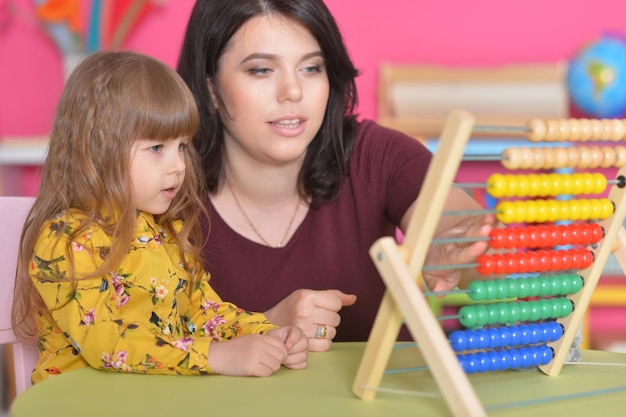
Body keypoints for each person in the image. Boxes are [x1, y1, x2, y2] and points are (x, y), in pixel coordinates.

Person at [176, 0, 497, 352]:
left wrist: (453, 248)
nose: (293, 92)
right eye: (262, 70)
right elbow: (133, 342)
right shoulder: (162, 189)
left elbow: (459, 225)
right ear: (210, 89)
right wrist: (262, 328)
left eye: (311, 68)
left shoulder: (377, 155)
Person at [11, 50, 308, 384]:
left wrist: (270, 335)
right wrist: (214, 355)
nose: (178, 165)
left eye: (181, 146)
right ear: (96, 150)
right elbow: (108, 342)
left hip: (154, 396)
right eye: (157, 149)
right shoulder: (66, 239)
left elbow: (203, 312)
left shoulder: (164, 231)